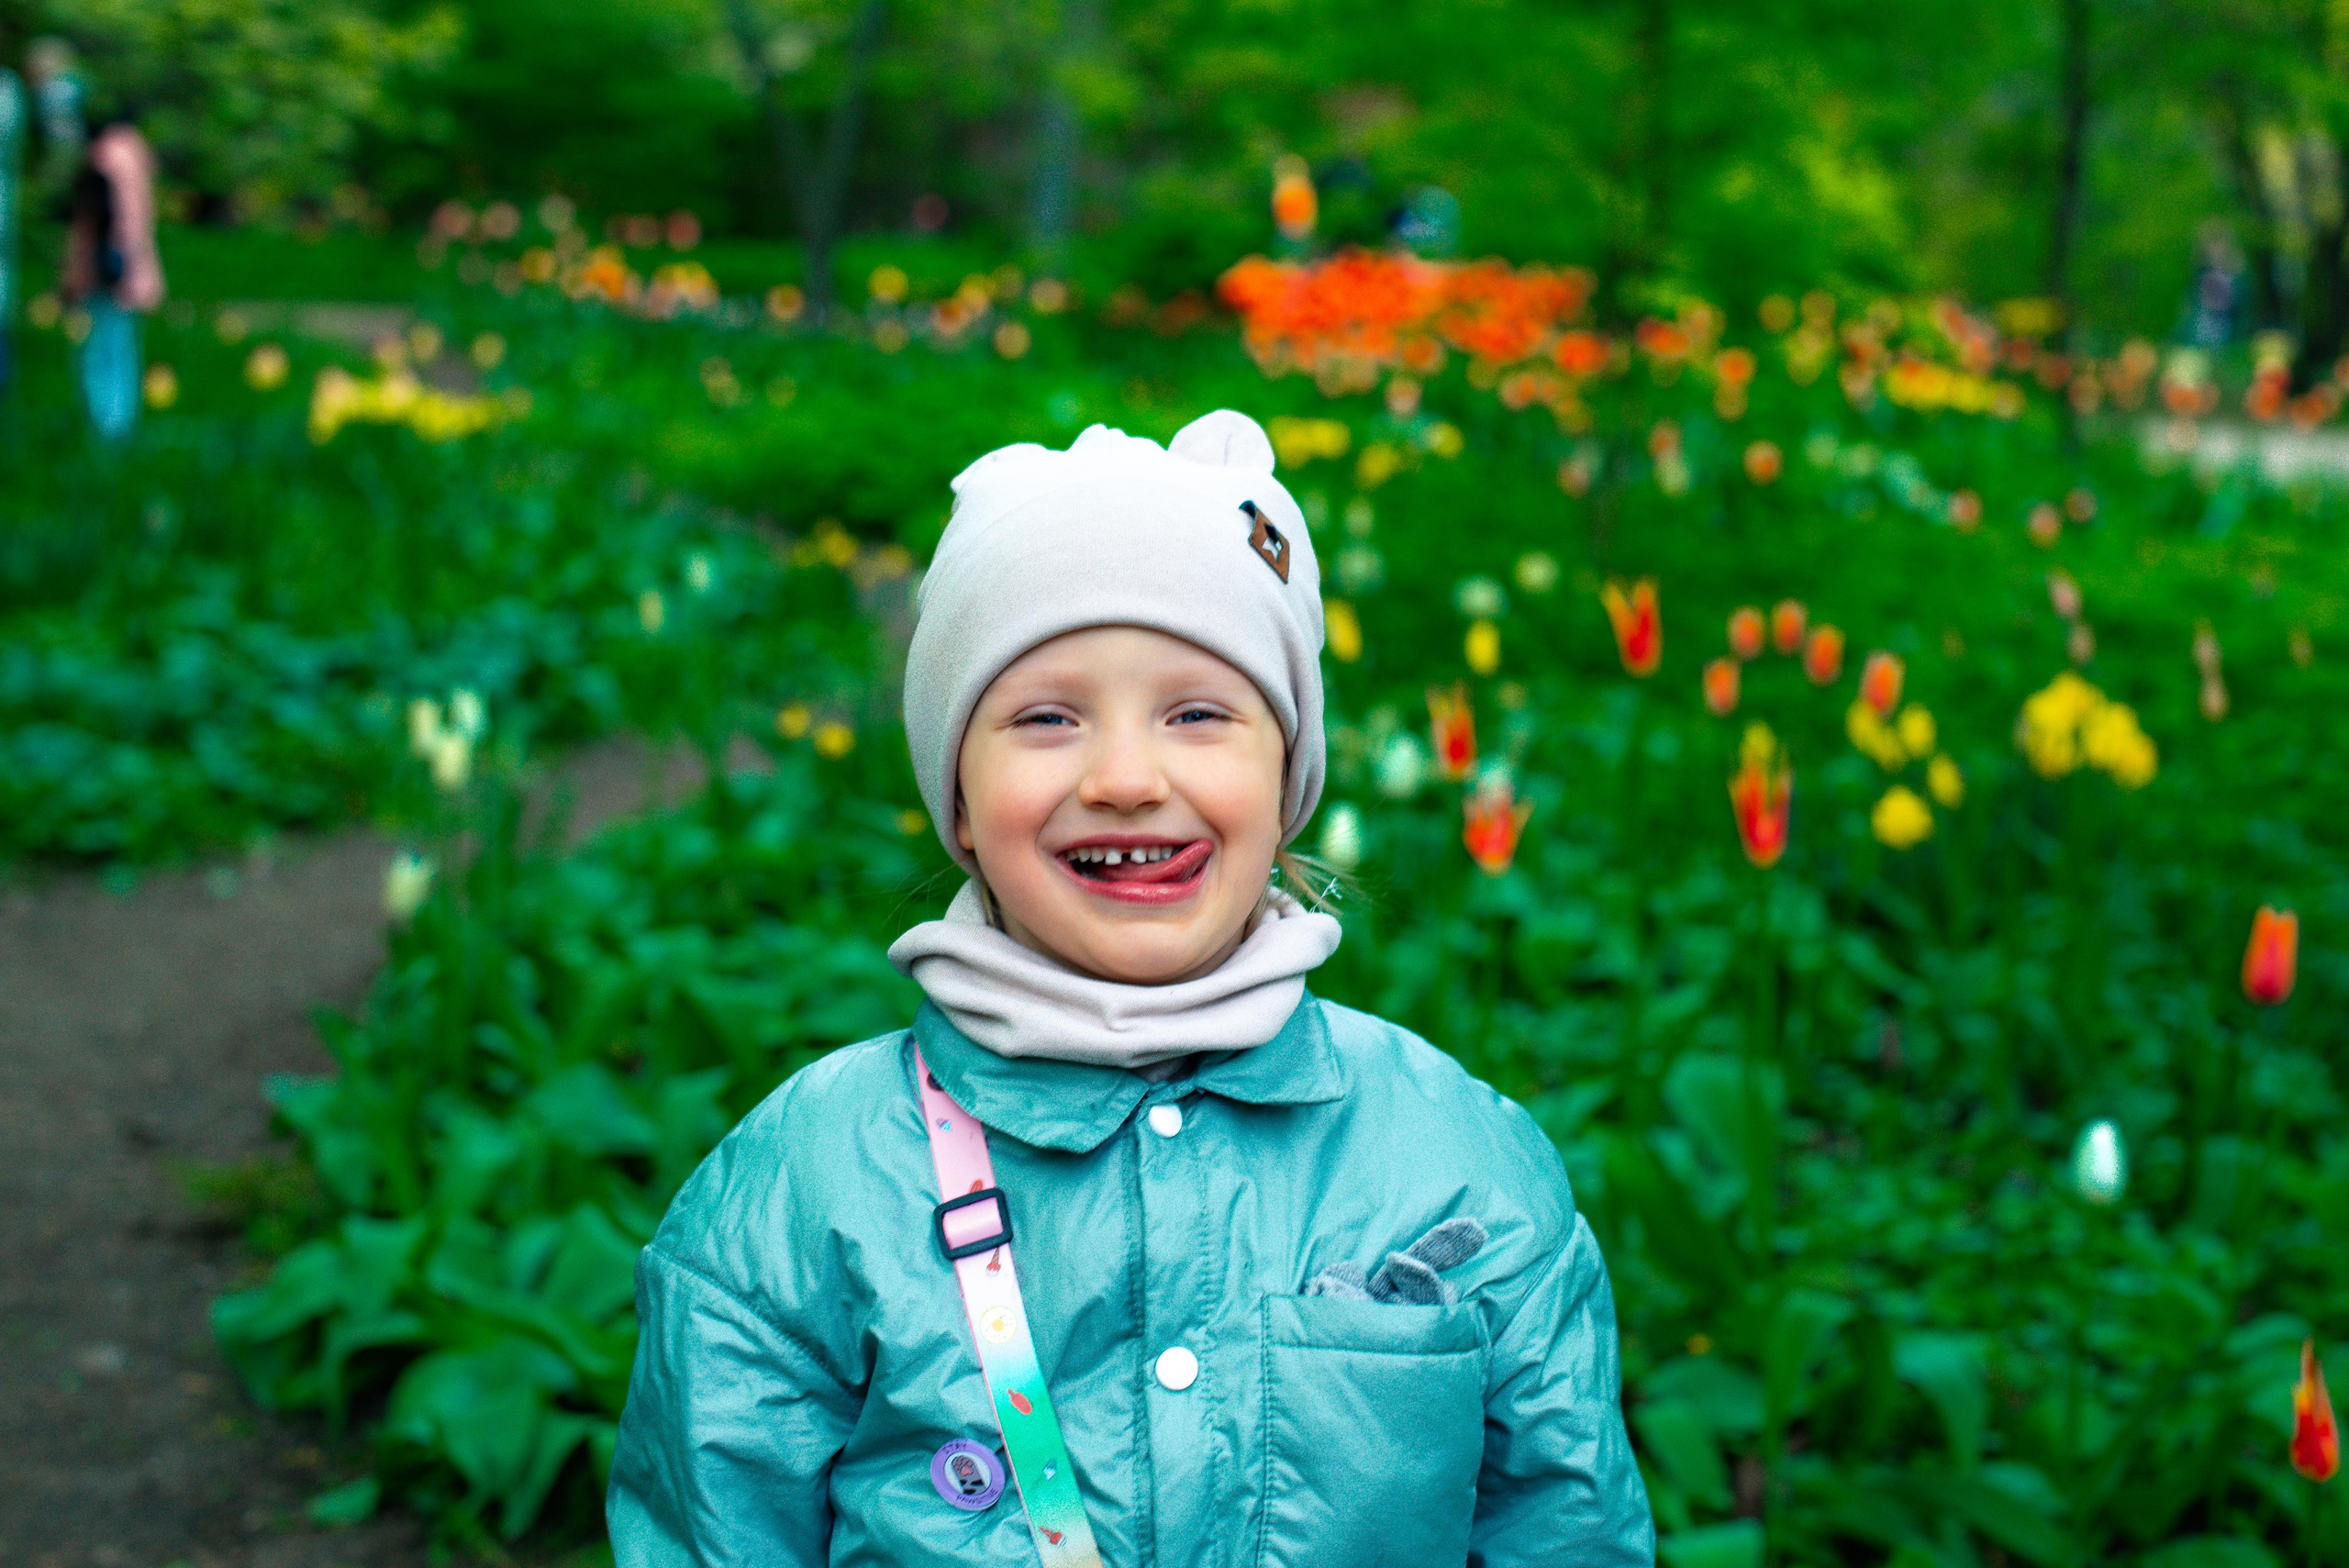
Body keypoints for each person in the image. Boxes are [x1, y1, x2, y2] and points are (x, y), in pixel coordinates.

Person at [607, 411, 1653, 1566]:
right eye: (1045, 717)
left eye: (1199, 711)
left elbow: (1568, 1531)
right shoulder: (806, 1186)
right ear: (955, 796)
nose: (1123, 777)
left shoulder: (1457, 1157)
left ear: (1287, 770)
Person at [61, 115, 163, 441]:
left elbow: (94, 222)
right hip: (132, 268)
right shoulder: (136, 154)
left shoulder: (104, 159)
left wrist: (78, 272)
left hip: (107, 271)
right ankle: (121, 423)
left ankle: (106, 426)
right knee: (123, 348)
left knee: (101, 350)